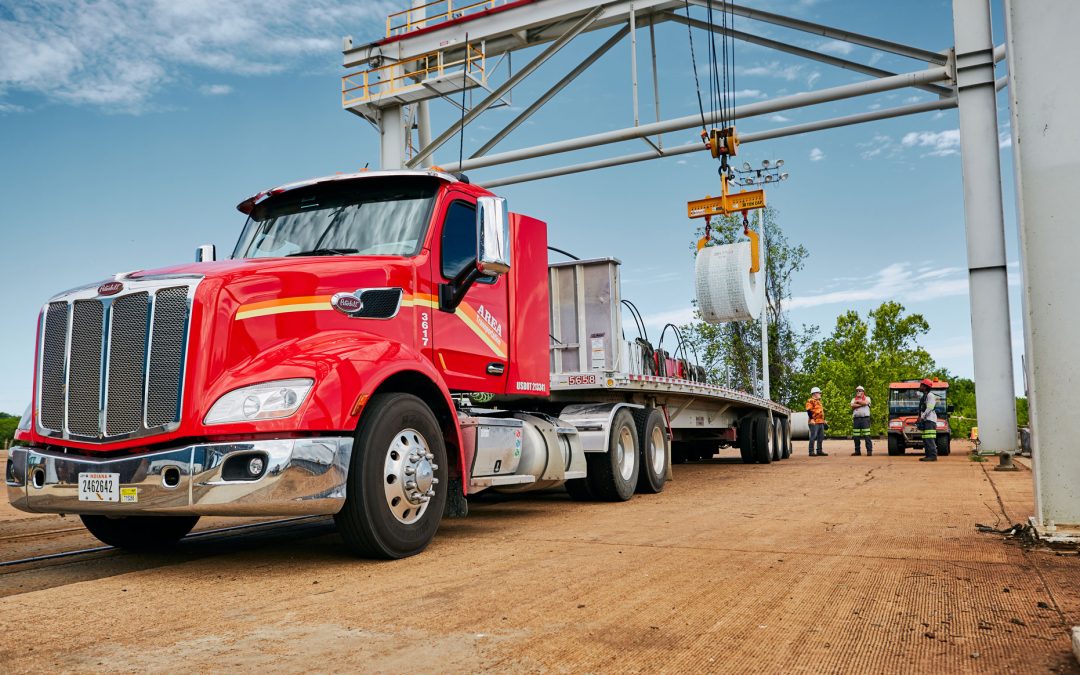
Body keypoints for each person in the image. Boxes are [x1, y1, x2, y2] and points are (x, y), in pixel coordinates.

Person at [917, 378, 939, 462]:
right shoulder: (925, 396)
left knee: (929, 438)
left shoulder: (930, 395)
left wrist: (922, 416)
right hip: (927, 420)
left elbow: (930, 407)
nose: (920, 386)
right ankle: (928, 455)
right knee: (926, 439)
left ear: (925, 387)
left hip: (930, 420)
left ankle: (932, 456)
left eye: (922, 385)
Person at [850, 385, 873, 456]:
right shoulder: (853, 399)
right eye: (857, 391)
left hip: (865, 419)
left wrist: (858, 402)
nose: (858, 392)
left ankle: (869, 451)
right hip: (856, 419)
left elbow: (865, 403)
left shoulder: (867, 398)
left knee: (867, 435)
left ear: (863, 392)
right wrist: (861, 403)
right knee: (856, 436)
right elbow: (852, 405)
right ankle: (857, 451)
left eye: (859, 390)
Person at [805, 387, 827, 456]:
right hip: (814, 422)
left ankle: (819, 451)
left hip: (820, 422)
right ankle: (811, 451)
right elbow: (808, 410)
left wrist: (824, 420)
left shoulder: (819, 402)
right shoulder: (810, 401)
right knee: (813, 436)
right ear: (814, 393)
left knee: (821, 437)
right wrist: (811, 419)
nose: (820, 394)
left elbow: (821, 412)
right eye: (819, 392)